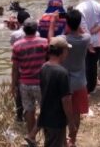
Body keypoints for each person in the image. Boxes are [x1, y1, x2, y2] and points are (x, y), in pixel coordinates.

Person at [44, 9, 90, 147]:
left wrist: (53, 22)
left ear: (67, 24)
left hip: (64, 83)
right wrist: (74, 22)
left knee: (63, 114)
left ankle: (63, 141)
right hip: (80, 82)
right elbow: (81, 31)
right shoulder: (86, 38)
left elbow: (50, 41)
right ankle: (73, 141)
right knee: (76, 113)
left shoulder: (63, 40)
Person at [34, 37, 75, 147]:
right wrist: (71, 122)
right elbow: (66, 100)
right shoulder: (62, 73)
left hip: (46, 118)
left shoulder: (44, 67)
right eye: (67, 50)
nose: (67, 53)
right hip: (57, 120)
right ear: (62, 51)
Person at [12, 20, 48, 140]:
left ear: (24, 30)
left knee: (29, 110)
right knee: (46, 109)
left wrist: (14, 84)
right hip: (40, 83)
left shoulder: (17, 46)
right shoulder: (44, 42)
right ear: (36, 30)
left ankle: (31, 137)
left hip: (24, 83)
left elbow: (15, 68)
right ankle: (44, 135)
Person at [75, 0, 100, 93]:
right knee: (92, 65)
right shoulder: (99, 6)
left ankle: (87, 87)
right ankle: (91, 88)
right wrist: (94, 30)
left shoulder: (79, 7)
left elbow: (82, 26)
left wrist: (88, 42)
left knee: (85, 65)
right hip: (97, 40)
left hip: (85, 42)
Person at [8, 9, 31, 122]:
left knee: (19, 92)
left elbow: (14, 48)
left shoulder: (15, 34)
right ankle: (30, 112)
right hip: (32, 65)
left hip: (19, 65)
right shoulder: (37, 33)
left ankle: (19, 116)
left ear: (19, 21)